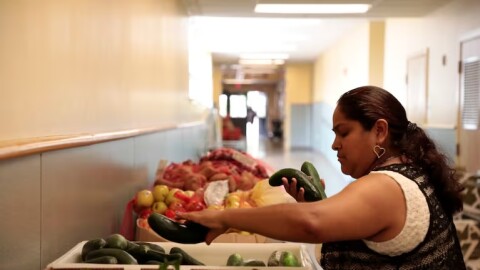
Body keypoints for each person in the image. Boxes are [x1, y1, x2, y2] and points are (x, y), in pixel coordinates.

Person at [178, 86, 466, 269]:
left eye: (344, 133)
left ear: (379, 131)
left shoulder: (387, 186)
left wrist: (225, 218)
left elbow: (311, 224)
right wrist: (321, 205)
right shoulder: (410, 171)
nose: (334, 144)